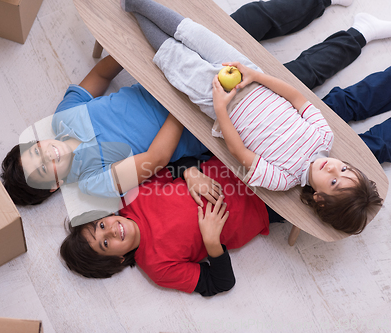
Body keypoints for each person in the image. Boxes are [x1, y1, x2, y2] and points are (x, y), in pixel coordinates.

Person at [1, 0, 385, 208]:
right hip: (201, 110)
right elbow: (159, 155)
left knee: (248, 20)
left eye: (35, 151)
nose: (46, 155)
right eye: (44, 170)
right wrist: (181, 94)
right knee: (302, 72)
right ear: (54, 188)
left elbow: (100, 77)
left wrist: (134, 47)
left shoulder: (63, 117)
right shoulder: (94, 184)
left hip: (176, 74)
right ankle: (358, 33)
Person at [122, 0, 385, 234]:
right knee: (193, 32)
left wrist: (221, 106)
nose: (333, 168)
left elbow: (238, 150)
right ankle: (138, 2)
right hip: (249, 77)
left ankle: (132, 7)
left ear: (319, 199)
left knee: (172, 57)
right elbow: (296, 98)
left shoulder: (283, 180)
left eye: (334, 181)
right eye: (344, 168)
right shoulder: (324, 136)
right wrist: (255, 75)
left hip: (217, 101)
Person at [60, 157, 270, 296]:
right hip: (264, 206)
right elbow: (221, 283)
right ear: (117, 259)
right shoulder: (158, 269)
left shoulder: (132, 197)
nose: (112, 230)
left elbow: (174, 163)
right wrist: (212, 241)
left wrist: (190, 173)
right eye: (105, 243)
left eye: (102, 224)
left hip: (234, 160)